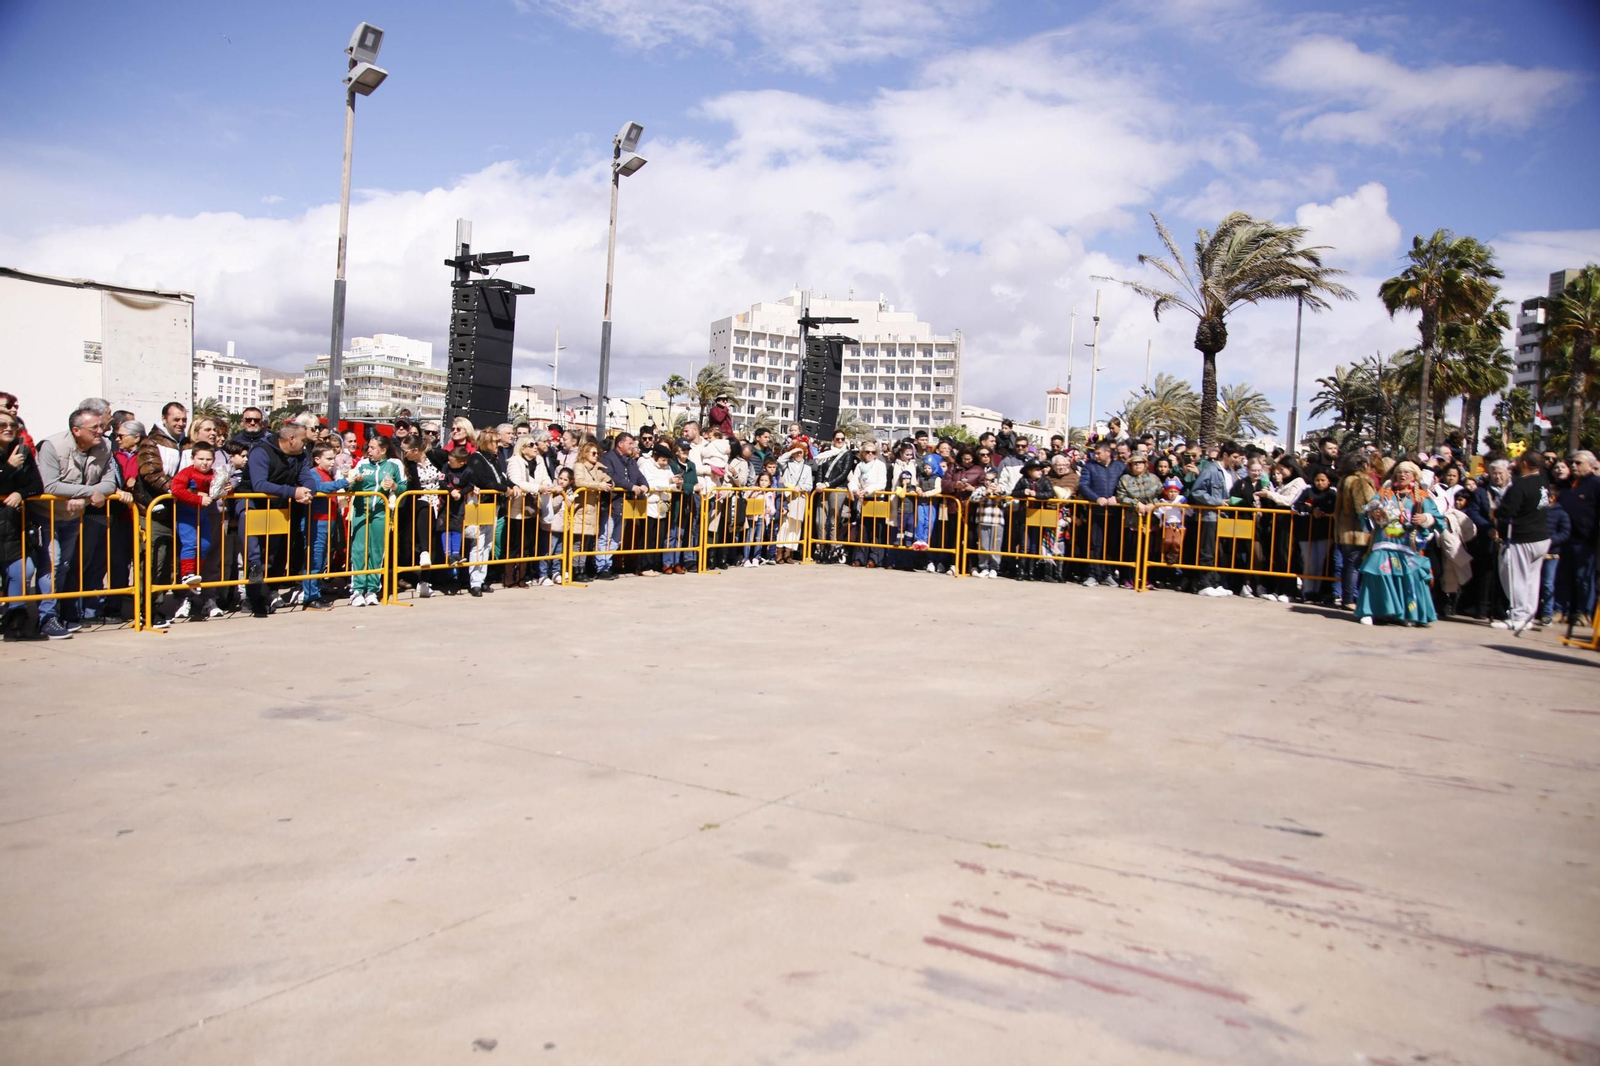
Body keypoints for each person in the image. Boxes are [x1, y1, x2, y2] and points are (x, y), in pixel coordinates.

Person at [35, 406, 125, 637]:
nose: (100, 431)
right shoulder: (52, 446)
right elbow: (49, 485)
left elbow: (109, 483)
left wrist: (83, 497)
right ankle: (46, 617)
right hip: (47, 515)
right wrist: (86, 493)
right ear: (76, 430)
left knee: (65, 565)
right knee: (51, 565)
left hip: (74, 517)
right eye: (93, 427)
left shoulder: (103, 446)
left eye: (100, 426)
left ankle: (62, 614)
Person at [1355, 461, 1440, 627]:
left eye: (1407, 473)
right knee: (1377, 573)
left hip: (1408, 545)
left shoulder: (1422, 496)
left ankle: (1408, 614)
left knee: (1411, 577)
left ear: (1415, 476)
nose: (1402, 475)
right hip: (1384, 542)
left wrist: (1425, 519)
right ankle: (1370, 611)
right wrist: (1373, 513)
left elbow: (1438, 518)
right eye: (1399, 472)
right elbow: (1366, 511)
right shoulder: (1384, 492)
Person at [243, 422, 312, 618]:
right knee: (255, 556)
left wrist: (306, 492)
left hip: (281, 508)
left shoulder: (299, 456)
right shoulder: (261, 452)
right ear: (291, 439)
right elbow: (259, 484)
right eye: (303, 441)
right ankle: (253, 600)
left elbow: (307, 479)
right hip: (253, 506)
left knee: (276, 555)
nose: (305, 445)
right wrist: (294, 492)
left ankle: (269, 594)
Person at [1493, 450, 1551, 636]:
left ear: (1525, 463)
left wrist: (1496, 512)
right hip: (1540, 536)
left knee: (1516, 577)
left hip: (1523, 537)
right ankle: (1527, 616)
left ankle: (1518, 617)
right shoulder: (1542, 481)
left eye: (1518, 461)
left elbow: (1508, 510)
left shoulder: (1521, 485)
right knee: (1532, 579)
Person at [0, 408, 45, 639]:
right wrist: (8, 467)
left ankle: (16, 619)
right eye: (2, 425)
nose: (8, 429)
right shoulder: (13, 458)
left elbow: (38, 486)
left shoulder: (23, 451)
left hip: (14, 526)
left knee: (22, 570)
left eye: (13, 425)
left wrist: (20, 493)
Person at [346, 433, 405, 606]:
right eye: (368, 447)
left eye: (372, 448)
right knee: (359, 549)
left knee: (377, 550)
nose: (369, 451)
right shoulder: (362, 464)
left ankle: (372, 589)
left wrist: (394, 486)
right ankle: (357, 589)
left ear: (383, 450)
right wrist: (356, 481)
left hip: (381, 512)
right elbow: (350, 485)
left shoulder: (395, 464)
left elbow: (403, 487)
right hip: (360, 511)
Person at [168, 441, 219, 622]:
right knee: (190, 543)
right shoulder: (186, 473)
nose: (204, 463)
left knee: (205, 544)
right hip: (186, 514)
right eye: (201, 459)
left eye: (208, 459)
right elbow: (176, 489)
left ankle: (195, 572)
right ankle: (187, 573)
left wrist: (228, 489)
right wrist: (197, 498)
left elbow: (220, 489)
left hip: (203, 515)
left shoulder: (214, 474)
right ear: (192, 458)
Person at [298, 443, 351, 609]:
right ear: (317, 459)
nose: (332, 462)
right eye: (328, 459)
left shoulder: (329, 474)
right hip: (317, 521)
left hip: (328, 520)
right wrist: (344, 482)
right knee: (314, 559)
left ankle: (315, 591)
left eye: (333, 458)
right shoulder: (314, 473)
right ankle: (310, 596)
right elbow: (319, 488)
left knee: (321, 560)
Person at [1189, 441, 1244, 597]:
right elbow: (1197, 491)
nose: (1236, 460)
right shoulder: (1211, 470)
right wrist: (1217, 502)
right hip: (1210, 516)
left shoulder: (1231, 472)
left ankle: (1215, 582)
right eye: (1234, 456)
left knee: (1220, 551)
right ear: (1225, 455)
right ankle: (1204, 583)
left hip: (1225, 517)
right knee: (1208, 550)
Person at [1333, 452, 1379, 609]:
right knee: (1354, 566)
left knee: (1348, 565)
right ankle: (1349, 599)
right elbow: (1363, 507)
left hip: (1344, 530)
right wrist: (1378, 508)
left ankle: (1348, 597)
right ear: (1364, 465)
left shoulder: (1344, 480)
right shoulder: (1359, 481)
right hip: (1357, 531)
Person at [1557, 450, 1598, 626]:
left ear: (1590, 465)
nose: (1574, 466)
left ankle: (1583, 612)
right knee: (1563, 577)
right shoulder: (1566, 485)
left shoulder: (1596, 485)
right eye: (1572, 462)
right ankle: (1561, 610)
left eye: (1578, 463)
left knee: (1583, 580)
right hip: (1564, 539)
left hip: (1585, 541)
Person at [1078, 441, 1126, 587]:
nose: (1096, 456)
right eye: (1095, 453)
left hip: (1115, 513)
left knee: (1112, 544)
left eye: (1098, 453)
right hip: (1096, 512)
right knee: (1095, 544)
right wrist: (1096, 498)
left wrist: (1117, 498)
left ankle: (1108, 573)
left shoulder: (1120, 467)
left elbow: (1126, 485)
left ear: (1108, 453)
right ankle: (1093, 574)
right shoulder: (1089, 466)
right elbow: (1083, 485)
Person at [1113, 454, 1161, 589]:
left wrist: (1154, 504)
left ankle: (1148, 579)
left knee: (1150, 551)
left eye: (1140, 463)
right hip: (1132, 521)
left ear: (1145, 465)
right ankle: (1130, 578)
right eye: (1135, 463)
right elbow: (1121, 496)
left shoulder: (1154, 479)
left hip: (1151, 521)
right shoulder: (1124, 479)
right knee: (1132, 551)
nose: (1138, 465)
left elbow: (1160, 494)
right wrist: (1135, 503)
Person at [1293, 469, 1338, 604]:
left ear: (1328, 481)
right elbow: (1296, 505)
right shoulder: (1307, 490)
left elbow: (1334, 507)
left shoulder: (1332, 493)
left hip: (1324, 533)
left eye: (1323, 480)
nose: (1319, 483)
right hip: (1307, 533)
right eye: (1317, 480)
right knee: (1309, 562)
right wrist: (1311, 510)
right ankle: (1307, 591)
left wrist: (1323, 511)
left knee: (1320, 563)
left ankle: (1316, 592)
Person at [572, 440, 612, 582]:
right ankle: (575, 570)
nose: (596, 456)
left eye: (598, 453)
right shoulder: (579, 466)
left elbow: (606, 478)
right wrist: (598, 485)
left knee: (586, 542)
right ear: (585, 453)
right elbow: (579, 482)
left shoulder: (597, 468)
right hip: (581, 508)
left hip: (592, 508)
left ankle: (582, 568)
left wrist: (609, 481)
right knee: (577, 542)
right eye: (593, 453)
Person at [775, 443, 813, 563]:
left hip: (799, 498)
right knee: (784, 526)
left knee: (795, 527)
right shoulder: (787, 465)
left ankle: (789, 553)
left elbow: (809, 485)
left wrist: (800, 487)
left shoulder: (807, 468)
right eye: (796, 452)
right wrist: (791, 451)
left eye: (801, 452)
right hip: (787, 498)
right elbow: (780, 460)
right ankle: (779, 552)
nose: (798, 454)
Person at [537, 467, 575, 585]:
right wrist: (560, 496)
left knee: (559, 551)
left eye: (565, 480)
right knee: (547, 550)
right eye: (560, 478)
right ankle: (542, 574)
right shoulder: (552, 490)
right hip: (551, 525)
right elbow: (551, 506)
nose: (562, 481)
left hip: (563, 525)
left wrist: (569, 501)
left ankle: (556, 572)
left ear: (570, 482)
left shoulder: (570, 492)